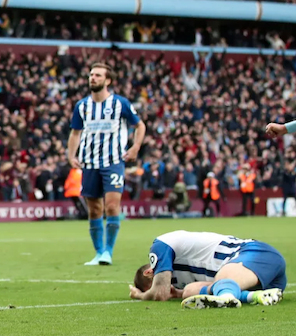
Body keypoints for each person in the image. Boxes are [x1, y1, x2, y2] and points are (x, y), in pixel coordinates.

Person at [66, 63, 146, 266]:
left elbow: (140, 125)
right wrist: (71, 155)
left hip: (113, 162)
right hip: (90, 163)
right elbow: (75, 133)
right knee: (94, 210)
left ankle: (108, 252)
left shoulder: (121, 104)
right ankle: (99, 252)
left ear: (107, 80)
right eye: (91, 74)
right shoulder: (82, 106)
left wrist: (136, 147)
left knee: (111, 206)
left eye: (98, 75)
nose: (93, 78)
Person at [129, 230, 285, 309]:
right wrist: (178, 293)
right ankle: (255, 296)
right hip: (265, 282)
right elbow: (169, 292)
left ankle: (227, 298)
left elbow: (159, 293)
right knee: (190, 291)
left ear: (149, 272)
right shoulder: (179, 281)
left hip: (257, 254)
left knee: (223, 279)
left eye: (152, 284)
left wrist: (141, 295)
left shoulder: (161, 244)